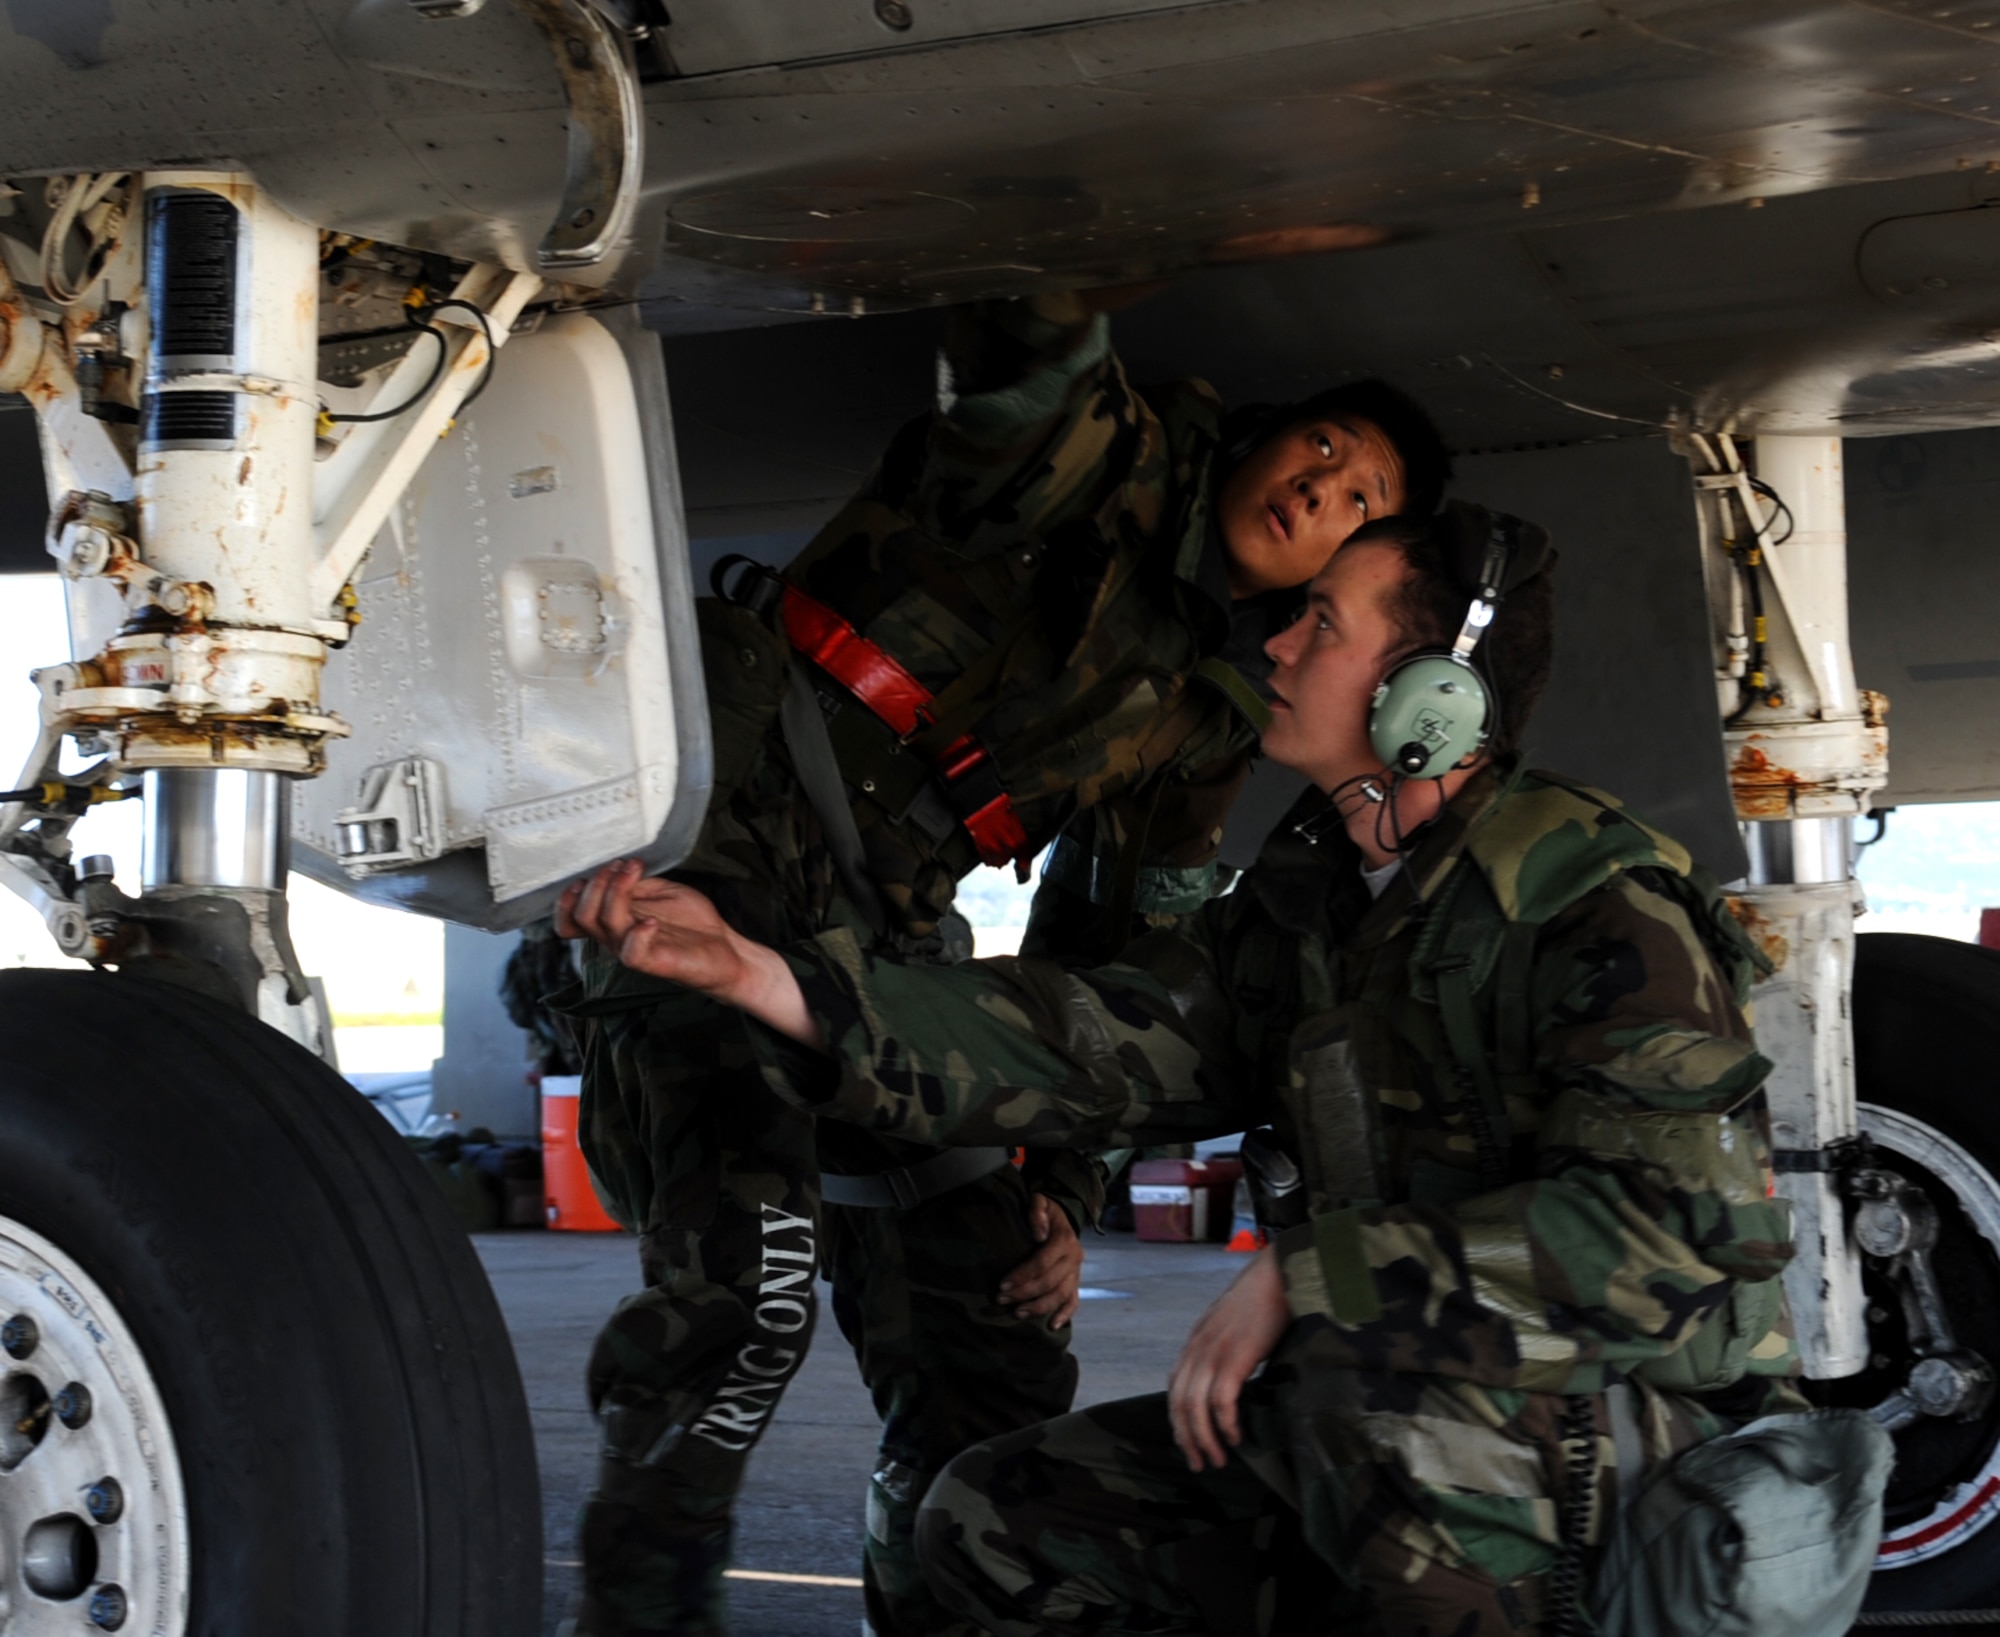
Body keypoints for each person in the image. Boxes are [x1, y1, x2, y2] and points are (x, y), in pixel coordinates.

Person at [565, 501, 1808, 1634]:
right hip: (1393, 1411)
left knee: (1366, 1409)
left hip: (1624, 1456)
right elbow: (1085, 1036)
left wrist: (1310, 1281)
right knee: (997, 1514)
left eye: (1321, 623)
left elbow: (1677, 1239)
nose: (1274, 645)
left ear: (1428, 697)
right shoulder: (1310, 907)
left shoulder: (1588, 899)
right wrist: (765, 978)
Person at [552, 285, 1452, 1637]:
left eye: (1358, 497)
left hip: (882, 921)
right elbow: (1021, 385)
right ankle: (638, 1616)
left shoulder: (1209, 719)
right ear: (1266, 439)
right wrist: (1044, 288)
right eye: (1318, 448)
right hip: (729, 811)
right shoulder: (1111, 457)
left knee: (999, 1334)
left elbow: (1118, 947)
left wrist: (1061, 1185)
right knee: (747, 1283)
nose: (1320, 485)